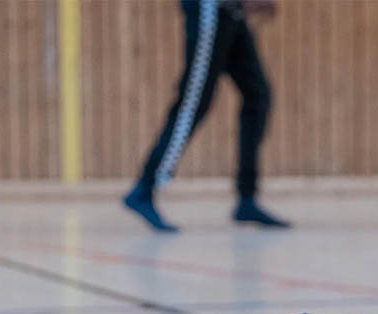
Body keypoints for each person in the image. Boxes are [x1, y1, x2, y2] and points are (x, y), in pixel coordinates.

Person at [123, 0, 289, 231]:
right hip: (208, 10)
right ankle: (144, 188)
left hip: (231, 12)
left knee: (257, 96)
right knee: (193, 101)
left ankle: (247, 198)